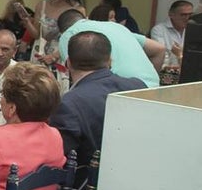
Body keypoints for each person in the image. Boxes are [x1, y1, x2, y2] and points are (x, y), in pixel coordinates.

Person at [49, 31, 146, 168]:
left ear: (68, 63)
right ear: (109, 61)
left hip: (89, 185)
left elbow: (59, 160)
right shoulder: (138, 86)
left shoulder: (69, 104)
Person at [56, 8, 163, 88]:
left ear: (61, 31)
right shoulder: (116, 26)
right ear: (87, 18)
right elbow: (159, 49)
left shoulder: (68, 35)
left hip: (118, 91)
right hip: (152, 88)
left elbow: (77, 73)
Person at [23, 0, 84, 65]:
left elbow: (76, 40)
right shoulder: (41, 6)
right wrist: (27, 22)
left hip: (62, 57)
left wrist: (54, 56)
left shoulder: (77, 9)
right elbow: (36, 34)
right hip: (40, 55)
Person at [151, 0, 193, 64]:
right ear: (171, 14)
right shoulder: (159, 30)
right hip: (167, 70)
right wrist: (179, 55)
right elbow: (161, 57)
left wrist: (180, 55)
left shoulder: (193, 29)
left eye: (190, 15)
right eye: (183, 15)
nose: (187, 18)